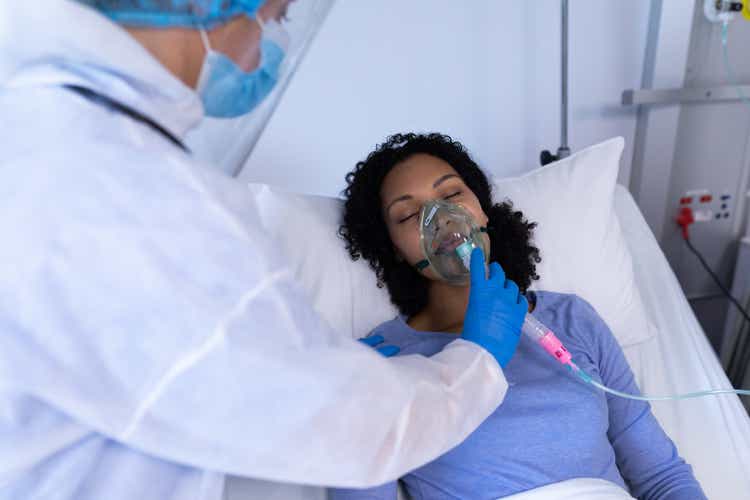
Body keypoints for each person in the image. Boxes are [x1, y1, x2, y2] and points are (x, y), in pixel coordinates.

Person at [0, 2, 529, 499]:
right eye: (277, 14)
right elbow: (344, 429)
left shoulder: (52, 132)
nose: (270, 39)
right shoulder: (131, 191)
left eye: (453, 193)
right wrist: (477, 360)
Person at [332, 133, 707, 500]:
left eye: (451, 195)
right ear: (394, 248)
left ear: (480, 209)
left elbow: (661, 475)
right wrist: (364, 406)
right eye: (410, 214)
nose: (442, 219)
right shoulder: (388, 359)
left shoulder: (572, 319)